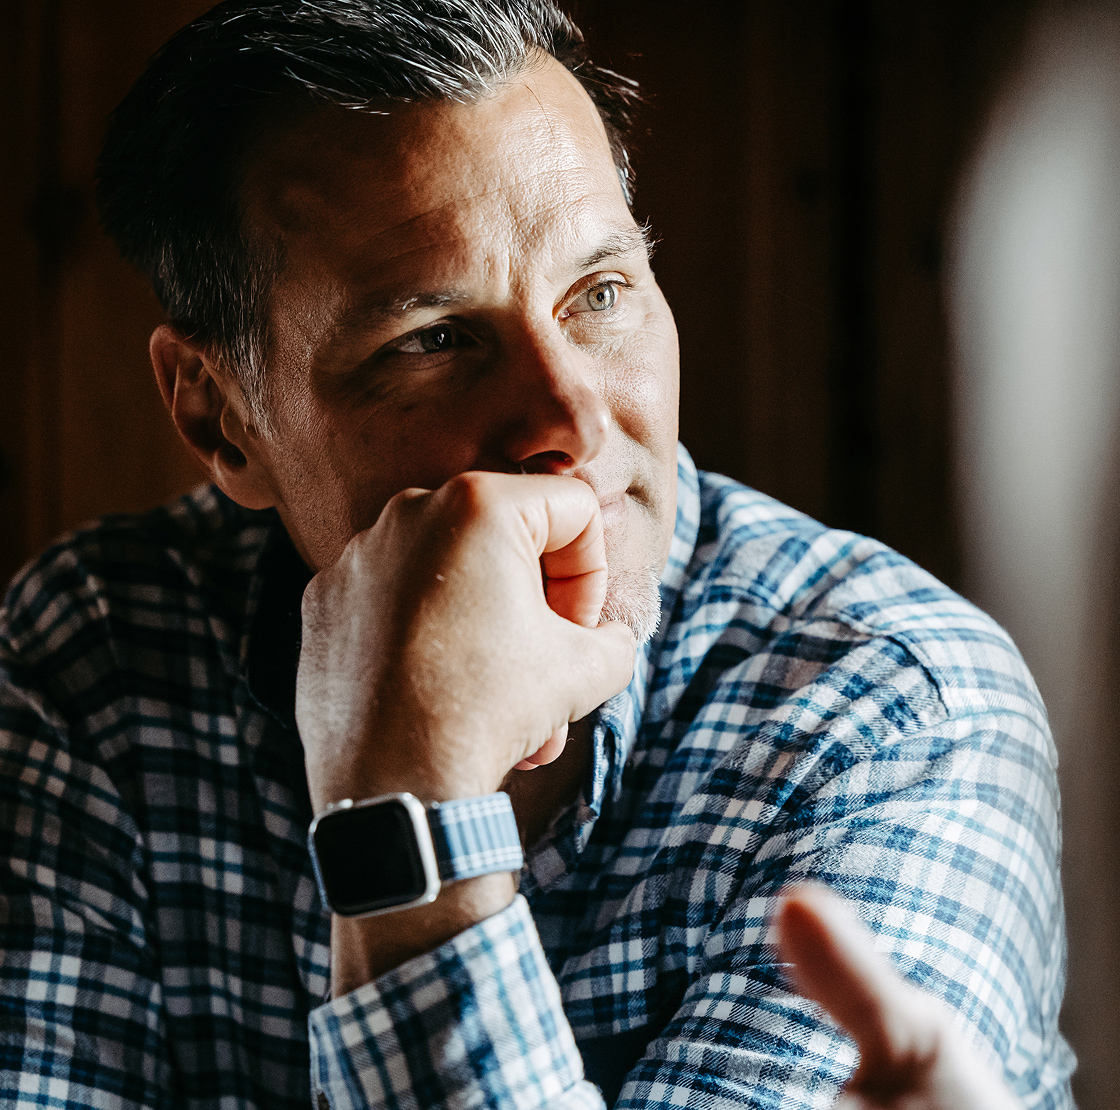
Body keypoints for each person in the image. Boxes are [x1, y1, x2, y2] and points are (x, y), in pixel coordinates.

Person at [0, 1, 1073, 1107]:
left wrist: (404, 820)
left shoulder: (892, 709)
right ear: (220, 416)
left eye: (599, 293)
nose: (574, 417)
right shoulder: (97, 653)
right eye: (432, 341)